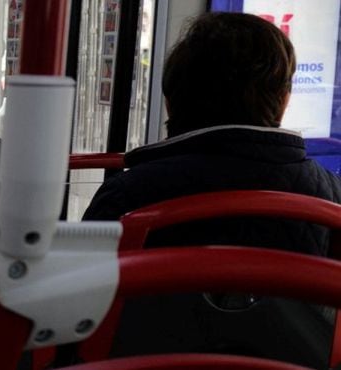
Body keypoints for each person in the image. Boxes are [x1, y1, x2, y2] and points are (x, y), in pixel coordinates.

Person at [82, 13, 341, 367]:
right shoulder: (330, 200)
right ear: (283, 101)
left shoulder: (126, 197)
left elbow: (76, 311)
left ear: (172, 102)